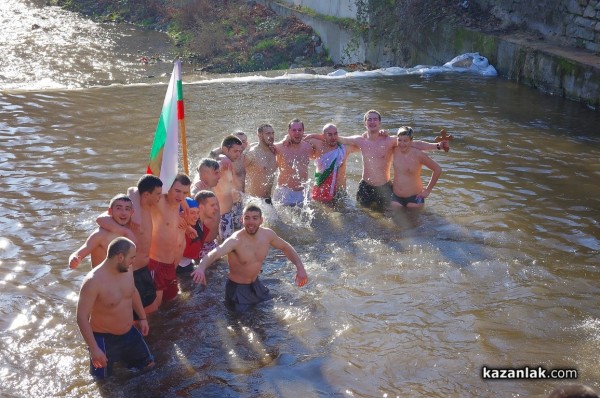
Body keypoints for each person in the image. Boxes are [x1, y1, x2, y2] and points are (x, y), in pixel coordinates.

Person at [191, 204, 308, 312]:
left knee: (268, 315)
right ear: (242, 220)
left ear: (261, 220)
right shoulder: (235, 241)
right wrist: (201, 267)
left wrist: (300, 267)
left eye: (255, 218)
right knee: (241, 323)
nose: (250, 222)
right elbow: (215, 253)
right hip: (237, 290)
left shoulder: (267, 235)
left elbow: (285, 247)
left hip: (256, 285)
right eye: (247, 218)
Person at [334, 109, 448, 210]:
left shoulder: (389, 141)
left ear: (379, 123)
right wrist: (320, 138)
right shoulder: (360, 140)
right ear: (365, 123)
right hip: (365, 186)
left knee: (386, 216)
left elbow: (415, 144)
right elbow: (340, 139)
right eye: (369, 119)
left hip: (384, 187)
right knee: (363, 214)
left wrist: (437, 146)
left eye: (375, 119)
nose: (372, 122)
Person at [76, 237, 154, 379]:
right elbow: (81, 317)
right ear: (120, 257)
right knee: (103, 383)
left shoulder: (127, 268)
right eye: (132, 257)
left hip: (129, 332)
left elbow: (133, 291)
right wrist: (94, 349)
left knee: (149, 367)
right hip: (104, 340)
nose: (133, 261)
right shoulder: (93, 281)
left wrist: (142, 318)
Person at [96, 174, 163, 316]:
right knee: (132, 315)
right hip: (132, 271)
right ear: (146, 195)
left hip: (145, 269)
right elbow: (101, 219)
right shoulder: (130, 212)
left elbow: (132, 189)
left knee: (152, 309)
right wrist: (125, 231)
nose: (160, 197)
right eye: (157, 194)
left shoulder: (147, 207)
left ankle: (149, 336)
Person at [148, 173, 191, 304]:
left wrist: (183, 203)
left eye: (185, 193)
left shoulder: (178, 203)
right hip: (155, 264)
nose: (181, 196)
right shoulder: (159, 201)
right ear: (168, 188)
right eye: (177, 191)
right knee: (154, 308)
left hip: (171, 266)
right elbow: (134, 190)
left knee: (172, 304)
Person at [69, 194, 134, 269]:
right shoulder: (101, 234)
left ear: (132, 212)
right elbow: (80, 252)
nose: (123, 213)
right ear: (110, 211)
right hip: (103, 279)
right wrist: (74, 259)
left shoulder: (131, 228)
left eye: (127, 209)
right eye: (119, 208)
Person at [305, 123, 358, 203]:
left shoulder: (344, 149)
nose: (333, 137)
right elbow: (297, 138)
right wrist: (287, 138)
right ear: (323, 136)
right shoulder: (319, 146)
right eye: (329, 134)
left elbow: (363, 143)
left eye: (335, 134)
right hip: (322, 192)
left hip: (340, 194)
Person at [391, 126, 442, 208]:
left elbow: (437, 169)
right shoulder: (395, 150)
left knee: (416, 220)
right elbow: (383, 140)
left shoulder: (418, 155)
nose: (402, 144)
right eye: (399, 140)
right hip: (396, 197)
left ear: (411, 141)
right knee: (393, 219)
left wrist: (427, 191)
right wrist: (382, 132)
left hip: (415, 198)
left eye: (405, 141)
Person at [272, 118, 316, 206]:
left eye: (300, 130)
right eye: (294, 130)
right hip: (284, 192)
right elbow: (261, 147)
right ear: (288, 131)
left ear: (303, 131)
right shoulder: (280, 147)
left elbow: (326, 141)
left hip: (303, 192)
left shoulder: (309, 147)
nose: (297, 132)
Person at [211, 131, 248, 230]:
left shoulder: (239, 158)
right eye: (236, 151)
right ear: (225, 149)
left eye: (240, 151)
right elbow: (204, 170)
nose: (239, 154)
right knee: (226, 243)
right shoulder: (222, 162)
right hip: (225, 213)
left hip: (237, 205)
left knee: (239, 237)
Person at [177, 191, 219, 273]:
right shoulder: (183, 229)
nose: (216, 208)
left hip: (187, 265)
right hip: (179, 269)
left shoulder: (200, 226)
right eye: (212, 205)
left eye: (197, 213)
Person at [244, 123, 277, 205]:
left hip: (268, 200)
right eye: (268, 133)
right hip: (254, 201)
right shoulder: (252, 153)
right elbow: (237, 172)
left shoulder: (275, 152)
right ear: (259, 135)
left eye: (272, 133)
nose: (271, 136)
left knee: (277, 218)